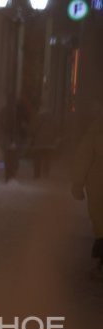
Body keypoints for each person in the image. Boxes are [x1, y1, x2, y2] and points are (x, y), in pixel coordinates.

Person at [72, 104, 103, 278]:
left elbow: (83, 156)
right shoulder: (96, 129)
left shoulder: (97, 129)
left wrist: (78, 183)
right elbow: (83, 157)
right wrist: (78, 183)